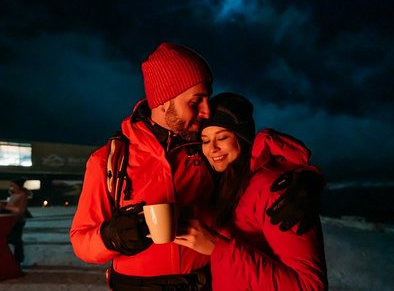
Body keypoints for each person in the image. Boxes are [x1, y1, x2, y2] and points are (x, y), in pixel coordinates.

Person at [70, 42, 324, 290]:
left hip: (204, 283)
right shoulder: (109, 161)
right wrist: (111, 238)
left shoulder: (203, 150)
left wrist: (303, 178)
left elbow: (255, 157)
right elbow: (81, 240)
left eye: (207, 99)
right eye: (196, 101)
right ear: (164, 101)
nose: (205, 111)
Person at [174, 93, 327, 290]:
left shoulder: (275, 189)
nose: (212, 149)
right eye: (205, 140)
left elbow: (310, 287)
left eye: (222, 137)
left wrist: (216, 247)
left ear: (242, 137)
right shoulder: (231, 183)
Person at [0, 179, 29, 263]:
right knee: (10, 240)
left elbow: (20, 210)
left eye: (13, 185)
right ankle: (12, 258)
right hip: (10, 221)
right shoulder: (13, 195)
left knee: (16, 240)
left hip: (18, 221)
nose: (12, 187)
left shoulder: (23, 196)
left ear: (18, 186)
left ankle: (18, 259)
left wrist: (5, 207)